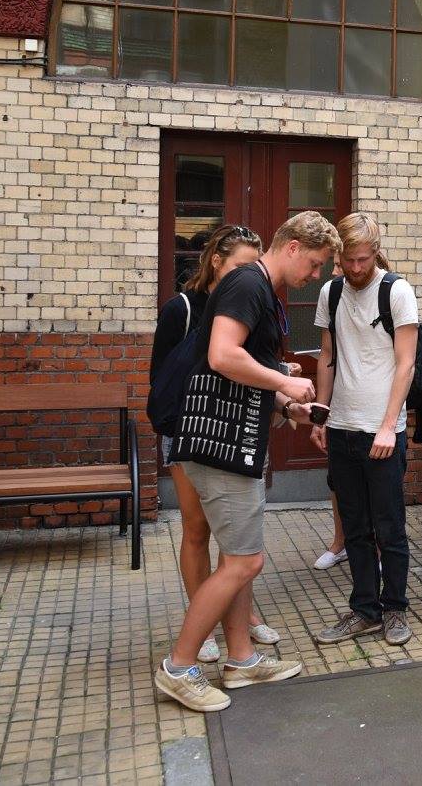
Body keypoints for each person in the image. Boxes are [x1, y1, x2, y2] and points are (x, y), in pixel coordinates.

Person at [154, 211, 339, 712]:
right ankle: (179, 666)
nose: (315, 276)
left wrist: (285, 406)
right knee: (245, 561)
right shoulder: (249, 284)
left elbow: (235, 373)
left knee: (237, 557)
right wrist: (284, 381)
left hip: (232, 442)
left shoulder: (256, 287)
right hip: (221, 446)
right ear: (294, 246)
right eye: (315, 264)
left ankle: (241, 659)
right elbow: (222, 356)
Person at [151, 224, 288, 662]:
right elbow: (164, 380)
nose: (248, 275)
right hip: (189, 430)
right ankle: (203, 625)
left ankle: (240, 626)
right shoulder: (183, 308)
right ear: (216, 262)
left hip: (236, 428)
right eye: (240, 266)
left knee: (237, 539)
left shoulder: (252, 300)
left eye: (253, 266)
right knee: (197, 529)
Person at [310, 214, 418, 646]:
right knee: (354, 528)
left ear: (375, 252)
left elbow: (406, 363)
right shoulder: (331, 292)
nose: (355, 268)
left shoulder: (397, 291)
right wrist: (321, 415)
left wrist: (389, 427)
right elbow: (327, 356)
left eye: (363, 259)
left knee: (389, 527)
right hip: (341, 426)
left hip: (383, 430)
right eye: (348, 260)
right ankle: (365, 610)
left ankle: (395, 609)